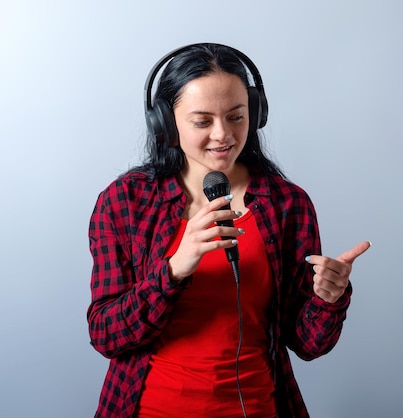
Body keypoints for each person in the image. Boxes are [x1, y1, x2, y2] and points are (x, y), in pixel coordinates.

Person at [86, 43, 370, 418]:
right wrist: (172, 271)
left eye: (237, 117)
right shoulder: (125, 202)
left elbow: (307, 344)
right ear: (166, 124)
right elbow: (107, 334)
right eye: (202, 121)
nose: (223, 135)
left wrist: (328, 298)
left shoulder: (287, 204)